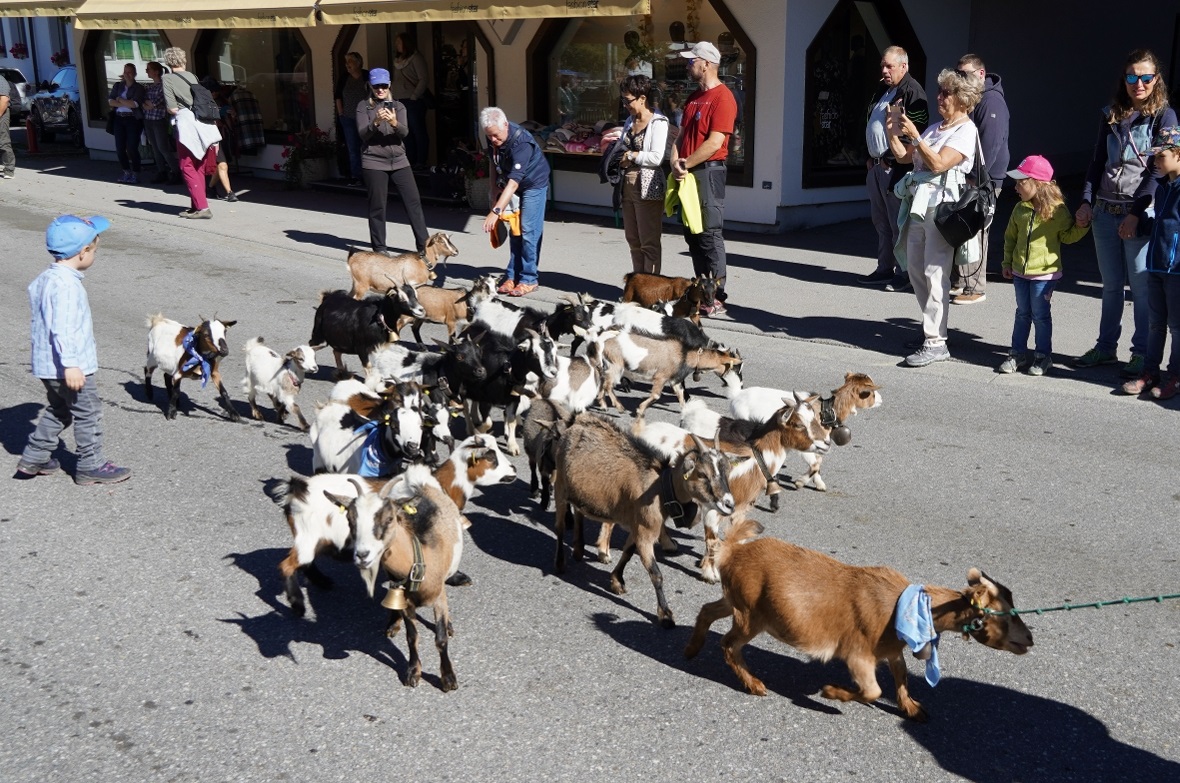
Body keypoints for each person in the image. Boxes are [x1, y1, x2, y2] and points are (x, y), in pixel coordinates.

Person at [1074, 49, 1177, 377]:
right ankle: (1106, 347)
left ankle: (1141, 353)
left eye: (1146, 77)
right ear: (1125, 79)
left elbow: (1158, 171)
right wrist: (1086, 201)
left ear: (1155, 79)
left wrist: (1135, 213)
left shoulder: (1165, 117)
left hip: (1139, 213)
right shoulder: (1111, 114)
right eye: (1132, 77)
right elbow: (1097, 162)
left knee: (1141, 287)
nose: (1139, 84)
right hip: (1104, 209)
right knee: (1111, 285)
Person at [17, 215, 130, 485]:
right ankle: (91, 464)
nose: (94, 255)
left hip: (47, 366)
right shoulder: (67, 286)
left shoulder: (46, 278)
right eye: (95, 250)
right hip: (70, 367)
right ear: (83, 252)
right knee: (87, 412)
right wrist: (71, 364)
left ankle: (35, 457)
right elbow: (63, 328)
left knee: (60, 410)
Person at [887, 68, 982, 367]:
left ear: (963, 99)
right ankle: (932, 329)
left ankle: (936, 341)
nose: (939, 97)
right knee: (915, 268)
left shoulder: (966, 130)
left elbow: (939, 163)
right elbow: (905, 157)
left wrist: (915, 135)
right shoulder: (936, 128)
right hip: (919, 203)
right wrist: (891, 130)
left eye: (946, 93)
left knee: (934, 271)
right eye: (940, 92)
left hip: (942, 208)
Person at [998, 155, 1089, 376]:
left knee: (1040, 315)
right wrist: (1007, 262)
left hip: (1045, 275)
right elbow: (1010, 237)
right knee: (1022, 313)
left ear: (1038, 184)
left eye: (1022, 181)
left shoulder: (1058, 211)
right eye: (1017, 182)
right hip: (1020, 273)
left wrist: (1082, 225)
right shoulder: (1020, 208)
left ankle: (1043, 356)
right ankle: (1017, 353)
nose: (1017, 186)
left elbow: (1067, 237)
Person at [670, 41, 738, 316]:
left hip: (708, 171)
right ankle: (702, 290)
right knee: (693, 233)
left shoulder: (723, 97)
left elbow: (715, 141)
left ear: (706, 63)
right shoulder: (693, 98)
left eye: (691, 61)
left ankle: (717, 295)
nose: (688, 65)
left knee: (709, 234)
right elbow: (681, 135)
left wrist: (685, 162)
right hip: (687, 171)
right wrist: (675, 160)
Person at [858, 45, 929, 292]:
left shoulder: (913, 91)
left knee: (900, 223)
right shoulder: (884, 90)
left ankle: (906, 272)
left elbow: (915, 131)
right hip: (876, 166)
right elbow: (872, 123)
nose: (884, 70)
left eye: (889, 66)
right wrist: (870, 157)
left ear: (904, 66)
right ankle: (884, 268)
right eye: (883, 65)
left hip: (895, 168)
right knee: (881, 223)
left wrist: (889, 159)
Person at [1121, 126, 1180, 399]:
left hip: (1176, 269)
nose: (1155, 162)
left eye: (1161, 156)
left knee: (1177, 326)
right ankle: (1149, 371)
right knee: (1156, 323)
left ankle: (1175, 376)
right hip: (1156, 264)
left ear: (1178, 154)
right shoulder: (1165, 186)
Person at [950, 54, 1009, 305]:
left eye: (965, 74)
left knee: (976, 230)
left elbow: (991, 144)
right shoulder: (973, 98)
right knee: (962, 229)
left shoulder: (991, 101)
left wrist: (976, 179)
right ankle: (960, 281)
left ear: (981, 74)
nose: (960, 78)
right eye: (958, 73)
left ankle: (974, 286)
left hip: (984, 180)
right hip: (970, 177)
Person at [357, 67, 429, 257]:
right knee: (378, 206)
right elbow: (363, 134)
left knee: (413, 202)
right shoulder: (363, 107)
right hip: (373, 161)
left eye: (383, 85)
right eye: (376, 86)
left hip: (399, 160)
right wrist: (376, 123)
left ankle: (424, 246)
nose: (380, 89)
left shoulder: (399, 106)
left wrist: (395, 122)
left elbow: (405, 133)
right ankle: (380, 248)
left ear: (389, 85)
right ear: (370, 86)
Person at [480, 106, 550, 297]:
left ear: (505, 124)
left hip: (533, 183)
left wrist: (495, 211)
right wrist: (493, 188)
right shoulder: (493, 133)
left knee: (529, 229)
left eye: (496, 135)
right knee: (515, 229)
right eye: (489, 136)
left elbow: (513, 184)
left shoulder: (522, 142)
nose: (493, 140)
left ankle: (529, 278)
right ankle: (512, 274)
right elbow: (493, 161)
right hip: (511, 182)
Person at [608, 74, 669, 275]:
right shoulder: (629, 120)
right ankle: (636, 284)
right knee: (633, 239)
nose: (625, 104)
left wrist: (632, 155)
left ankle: (650, 289)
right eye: (623, 100)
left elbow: (657, 157)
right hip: (627, 183)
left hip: (648, 184)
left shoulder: (659, 121)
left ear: (642, 98)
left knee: (648, 241)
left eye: (628, 100)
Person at [161, 46, 221, 219]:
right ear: (183, 60)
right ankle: (196, 205)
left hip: (187, 124)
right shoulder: (192, 76)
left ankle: (202, 208)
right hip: (202, 123)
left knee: (186, 165)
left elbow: (172, 108)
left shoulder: (168, 79)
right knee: (198, 165)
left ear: (168, 62)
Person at [392, 33, 430, 168]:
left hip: (413, 101)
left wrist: (414, 95)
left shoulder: (416, 58)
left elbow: (423, 78)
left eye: (399, 42)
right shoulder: (397, 61)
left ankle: (421, 161)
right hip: (399, 100)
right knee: (405, 132)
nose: (396, 45)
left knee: (418, 131)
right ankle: (410, 159)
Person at [108, 63, 147, 184]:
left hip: (133, 120)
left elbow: (135, 104)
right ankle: (126, 172)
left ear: (134, 74)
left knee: (131, 148)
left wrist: (120, 99)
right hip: (119, 119)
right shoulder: (118, 86)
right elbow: (110, 101)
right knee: (120, 148)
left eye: (129, 72)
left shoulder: (139, 88)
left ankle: (136, 173)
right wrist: (124, 102)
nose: (127, 74)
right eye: (125, 72)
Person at [142, 61, 180, 185]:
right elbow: (143, 103)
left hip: (159, 120)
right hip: (148, 119)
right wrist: (148, 104)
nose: (146, 71)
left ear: (156, 71)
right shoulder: (149, 87)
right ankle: (161, 171)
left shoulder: (163, 86)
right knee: (155, 147)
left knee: (163, 147)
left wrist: (149, 104)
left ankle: (176, 172)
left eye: (149, 69)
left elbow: (154, 103)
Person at [334, 51, 369, 185]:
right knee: (353, 148)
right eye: (346, 62)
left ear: (358, 63)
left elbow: (374, 94)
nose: (347, 65)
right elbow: (338, 96)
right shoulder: (344, 78)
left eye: (350, 62)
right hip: (348, 117)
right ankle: (356, 176)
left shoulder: (366, 76)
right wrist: (341, 113)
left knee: (366, 147)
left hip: (365, 118)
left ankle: (369, 175)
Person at [0, 70, 17, 179]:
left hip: (2, 112)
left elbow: (5, 99)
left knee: (3, 141)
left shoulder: (0, 80)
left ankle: (9, 170)